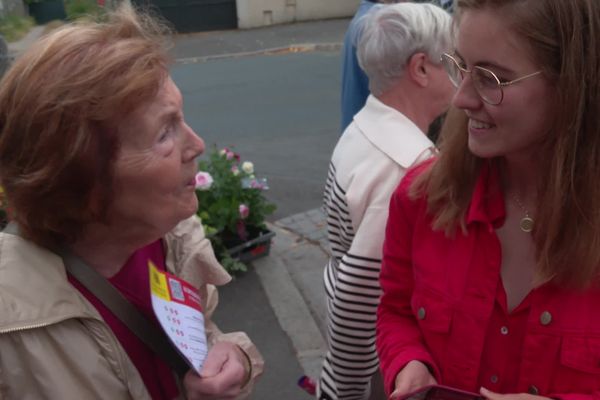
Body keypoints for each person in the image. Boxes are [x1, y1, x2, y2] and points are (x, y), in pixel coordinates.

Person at [0, 5, 263, 399]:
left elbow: (200, 337)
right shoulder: (11, 327)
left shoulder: (168, 235)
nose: (196, 145)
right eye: (164, 133)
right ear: (83, 179)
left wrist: (236, 358)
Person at [377, 0, 600, 399]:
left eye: (491, 78)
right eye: (460, 65)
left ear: (573, 82)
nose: (461, 99)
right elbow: (397, 310)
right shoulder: (423, 198)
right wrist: (409, 361)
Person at [319, 3, 453, 400]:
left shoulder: (364, 125)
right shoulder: (406, 167)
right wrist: (341, 390)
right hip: (383, 367)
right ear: (421, 69)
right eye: (455, 61)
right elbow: (360, 295)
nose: (464, 74)